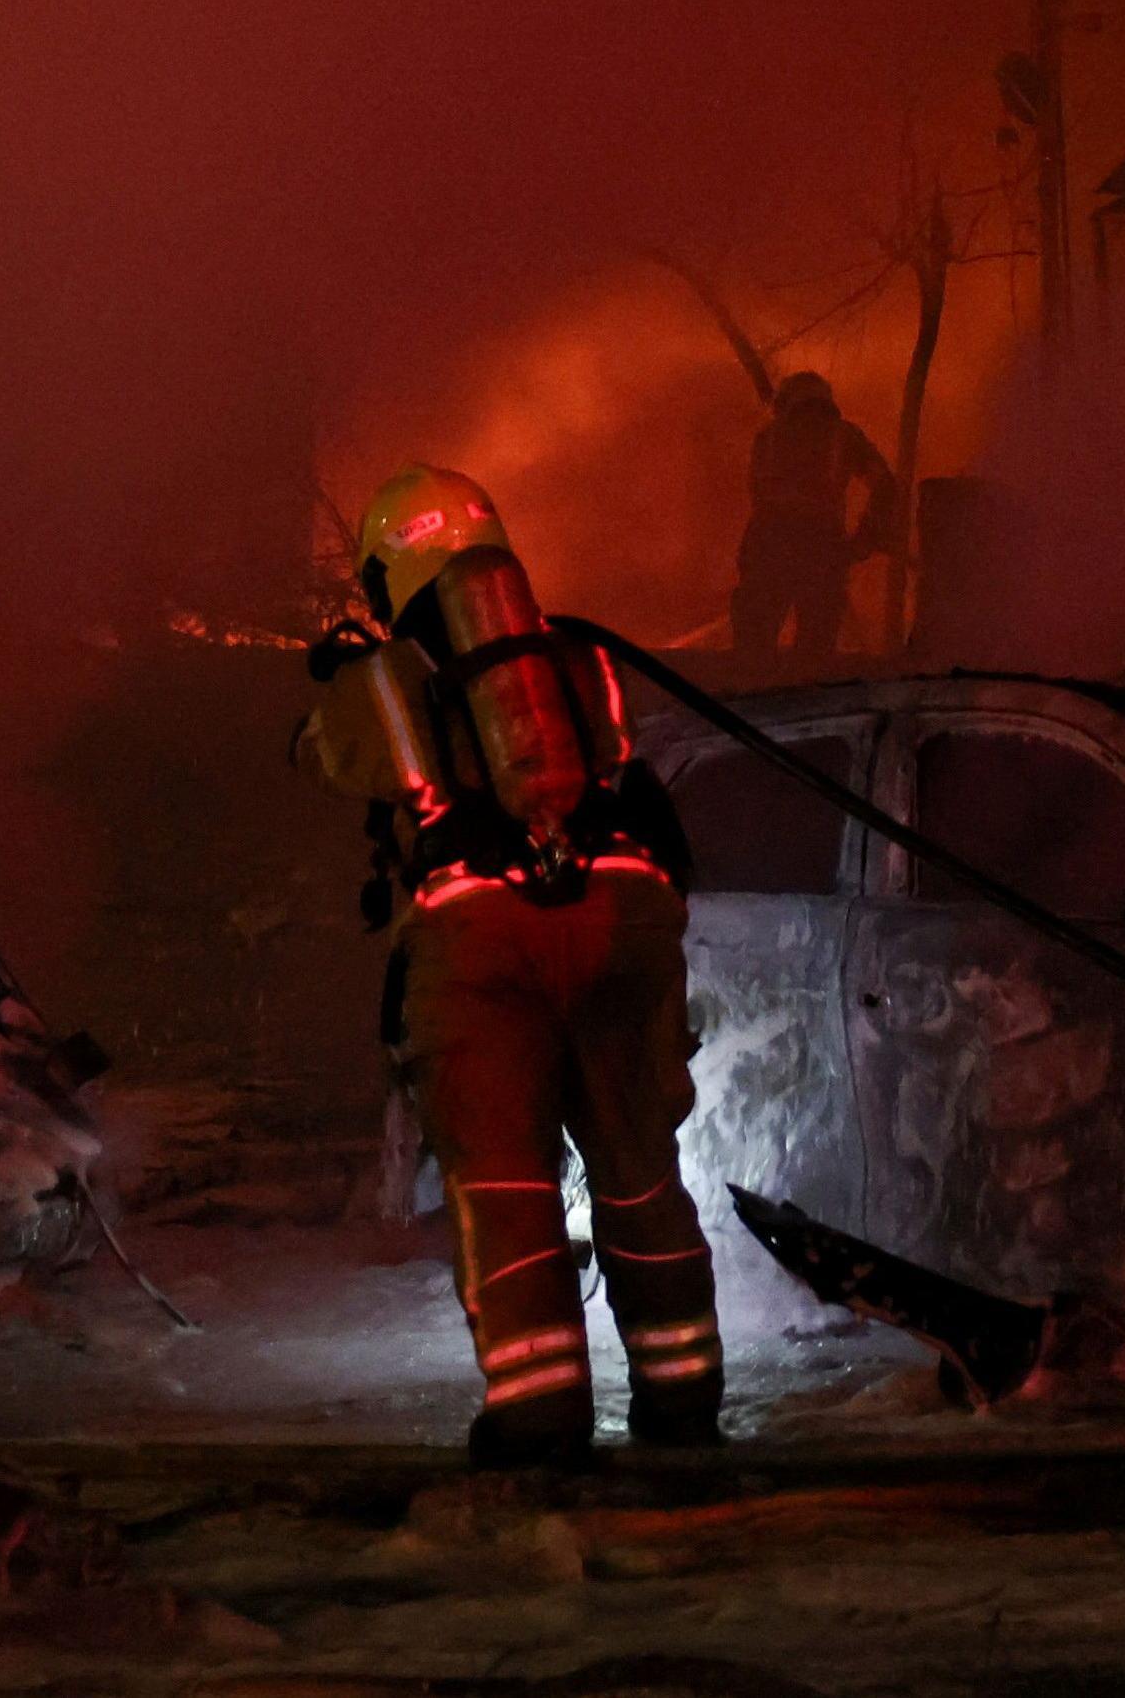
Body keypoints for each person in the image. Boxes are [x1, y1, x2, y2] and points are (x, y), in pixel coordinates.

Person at [293, 466, 718, 1469]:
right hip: (623, 913)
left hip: (485, 934)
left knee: (507, 1186)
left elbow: (325, 753)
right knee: (639, 1170)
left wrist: (334, 684)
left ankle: (539, 1416)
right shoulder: (578, 654)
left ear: (390, 569)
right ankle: (684, 1394)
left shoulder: (386, 676)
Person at [730, 371, 899, 659]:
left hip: (769, 544)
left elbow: (757, 494)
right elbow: (884, 485)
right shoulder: (844, 436)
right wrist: (865, 538)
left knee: (753, 652)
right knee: (815, 653)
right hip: (820, 548)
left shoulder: (768, 437)